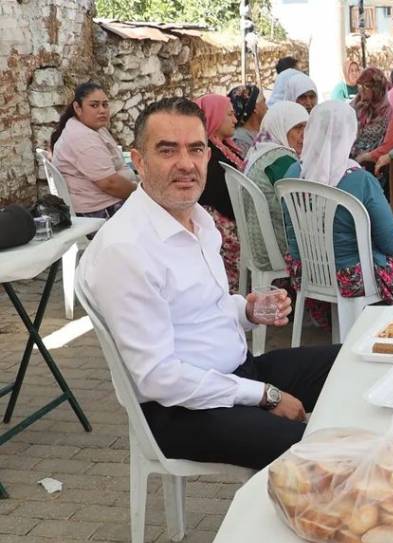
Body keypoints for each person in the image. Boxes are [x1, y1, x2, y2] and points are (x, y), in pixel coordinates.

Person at [78, 97, 340, 470]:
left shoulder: (197, 219)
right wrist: (265, 395)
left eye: (196, 149)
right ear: (138, 161)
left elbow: (200, 308)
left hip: (235, 373)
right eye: (167, 150)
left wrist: (247, 310)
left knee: (351, 362)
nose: (185, 163)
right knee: (316, 454)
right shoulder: (126, 250)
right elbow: (158, 378)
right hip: (180, 410)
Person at [284, 101, 393, 306]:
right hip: (350, 276)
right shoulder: (360, 180)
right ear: (350, 134)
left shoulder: (292, 173)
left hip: (305, 272)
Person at [51, 82, 136, 219]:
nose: (102, 110)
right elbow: (110, 184)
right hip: (100, 211)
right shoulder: (82, 137)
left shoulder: (95, 128)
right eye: (94, 105)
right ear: (78, 108)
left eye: (105, 104)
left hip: (109, 202)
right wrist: (140, 194)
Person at [243, 101, 308, 274]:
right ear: (280, 127)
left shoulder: (259, 151)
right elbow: (303, 211)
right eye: (297, 128)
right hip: (274, 249)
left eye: (307, 128)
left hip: (257, 244)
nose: (304, 135)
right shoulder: (281, 160)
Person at [195, 94, 245, 293]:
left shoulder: (225, 146)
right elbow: (221, 196)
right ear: (214, 117)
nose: (235, 119)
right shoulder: (209, 156)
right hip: (221, 223)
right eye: (230, 114)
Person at [351, 67, 391, 159]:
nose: (362, 90)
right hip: (350, 157)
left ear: (377, 89)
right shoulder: (355, 104)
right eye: (360, 85)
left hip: (373, 160)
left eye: (367, 86)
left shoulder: (387, 111)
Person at [228, 84, 268, 157]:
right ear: (255, 108)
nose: (267, 107)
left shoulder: (262, 132)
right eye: (264, 102)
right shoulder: (240, 141)